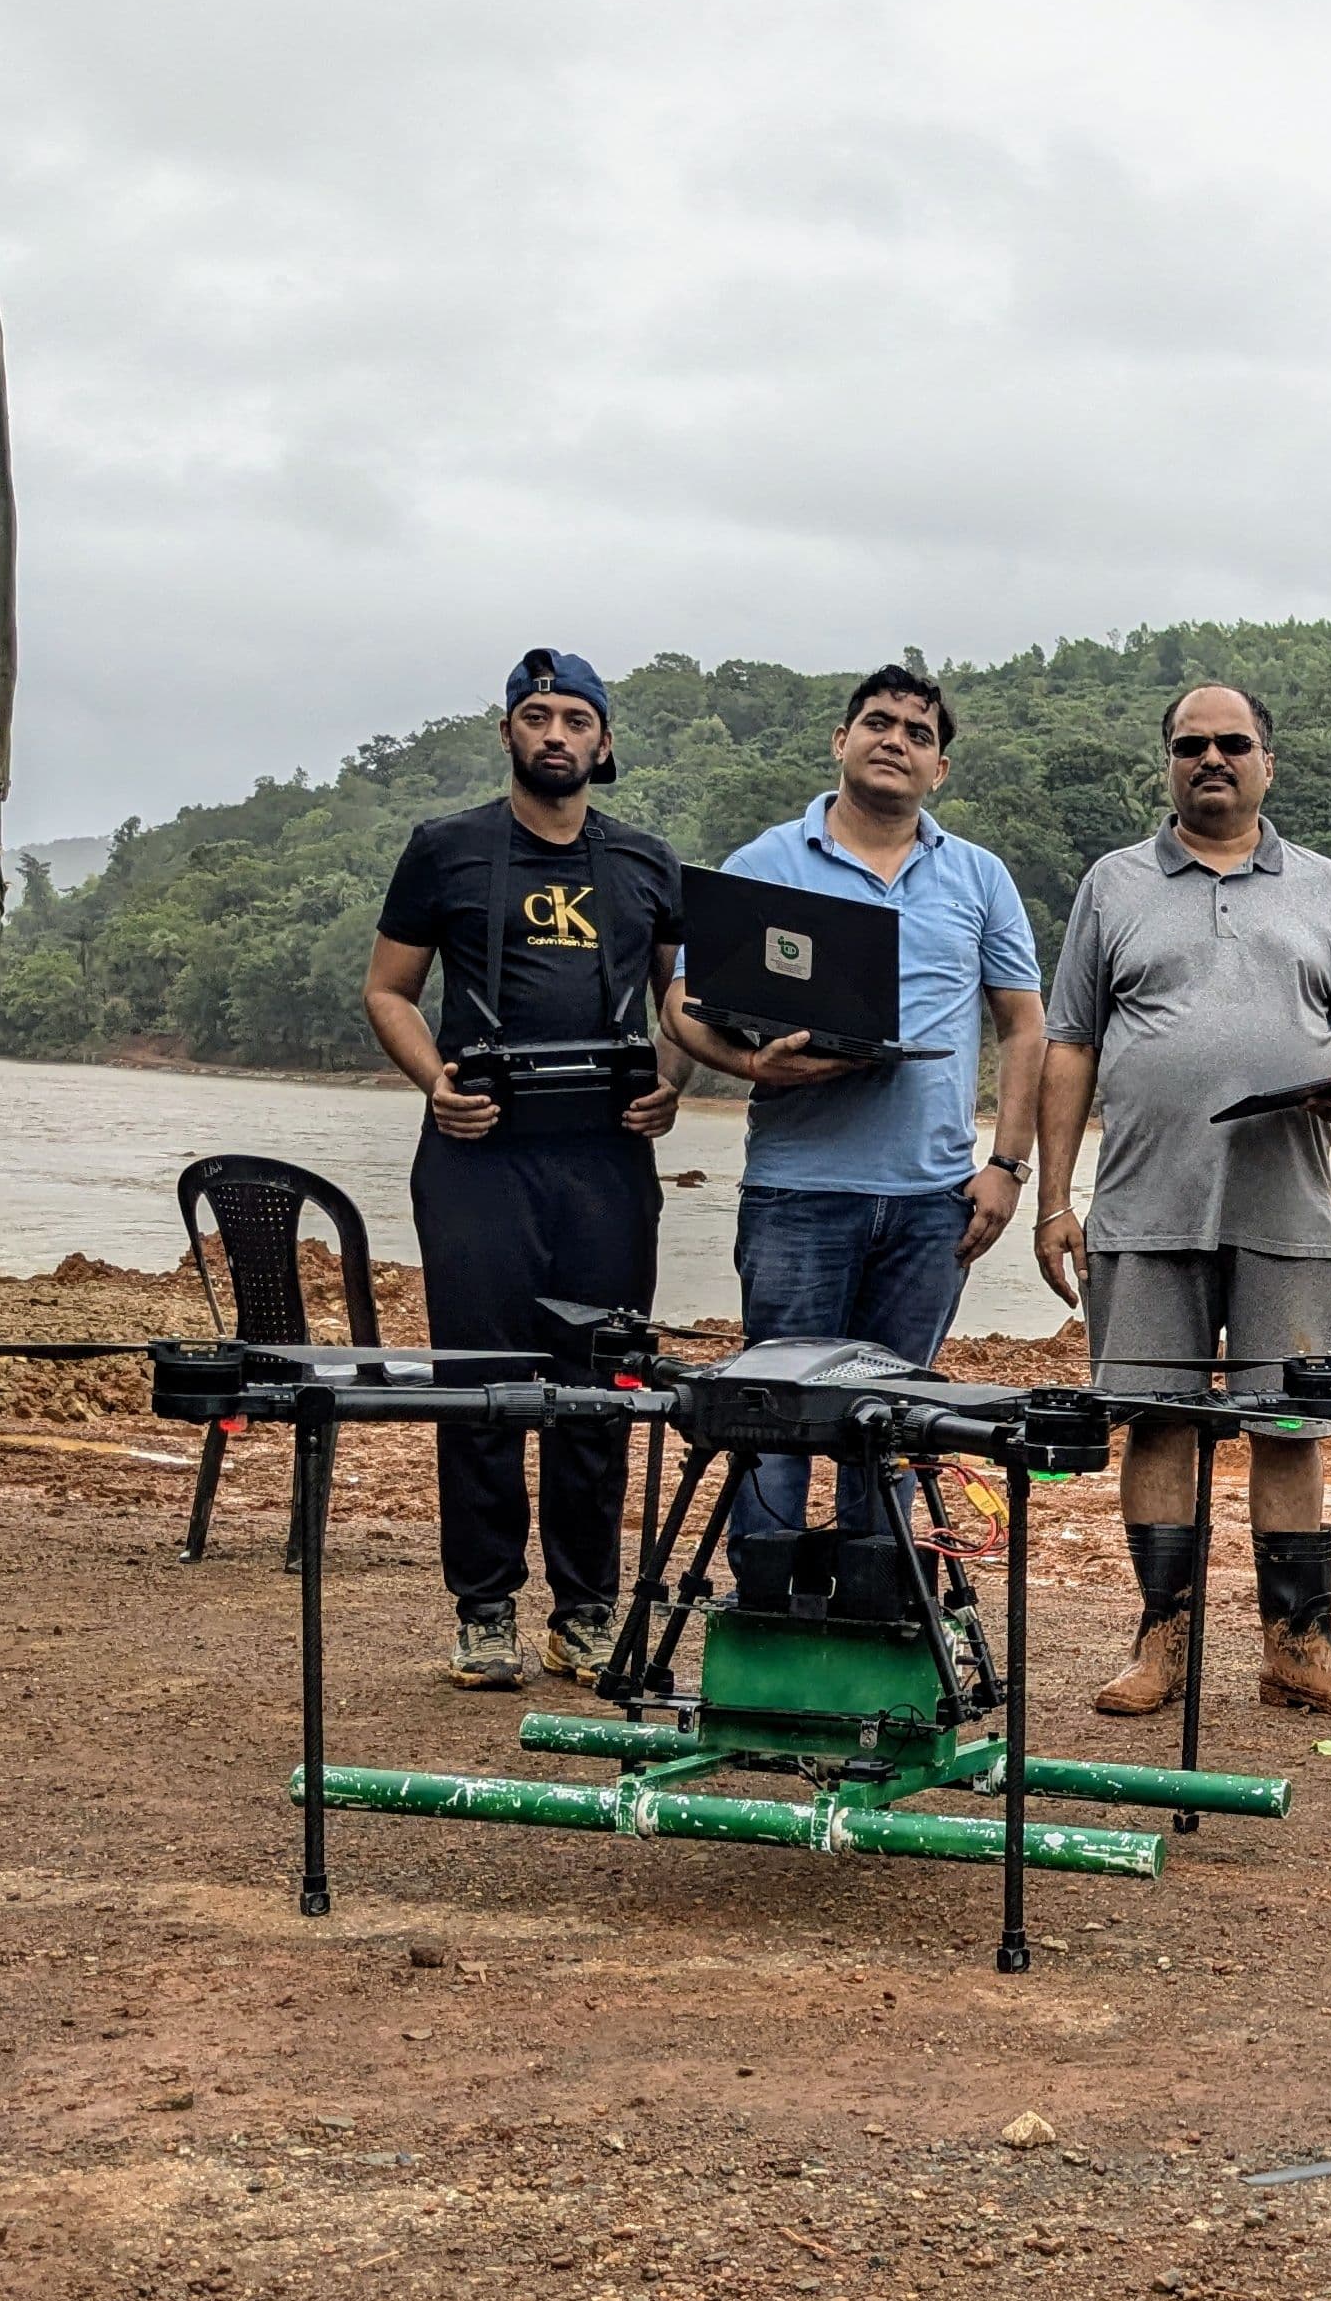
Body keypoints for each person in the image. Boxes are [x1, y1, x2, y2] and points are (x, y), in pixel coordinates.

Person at [1034, 684, 1331, 1719]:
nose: (1212, 760)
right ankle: (1163, 1641)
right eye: (1190, 746)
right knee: (1156, 1422)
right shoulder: (1113, 885)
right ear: (1168, 764)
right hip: (1145, 1203)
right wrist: (1057, 1201)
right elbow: (1070, 1044)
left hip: (1286, 1204)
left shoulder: (1324, 888)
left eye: (1233, 744)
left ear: (1268, 762)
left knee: (1289, 1421)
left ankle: (1298, 1647)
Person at [361, 648, 689, 1690]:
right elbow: (388, 991)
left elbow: (678, 1003)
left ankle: (586, 1612)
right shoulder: (445, 850)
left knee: (598, 1386)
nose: (555, 734)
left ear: (604, 742)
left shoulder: (646, 861)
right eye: (535, 716)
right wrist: (435, 1085)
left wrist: (671, 1082)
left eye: (575, 719)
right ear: (505, 732)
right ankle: (485, 1608)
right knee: (480, 1384)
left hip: (605, 1156)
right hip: (476, 1154)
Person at [664, 662, 1042, 1537]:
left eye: (919, 734)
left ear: (939, 769)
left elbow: (1025, 1028)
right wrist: (751, 1067)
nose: (895, 742)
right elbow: (683, 1004)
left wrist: (1007, 1168)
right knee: (774, 1423)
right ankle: (765, 1619)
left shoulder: (979, 877)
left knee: (893, 1432)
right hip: (796, 1193)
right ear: (841, 741)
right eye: (878, 723)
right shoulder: (766, 862)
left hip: (932, 1202)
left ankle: (872, 1626)